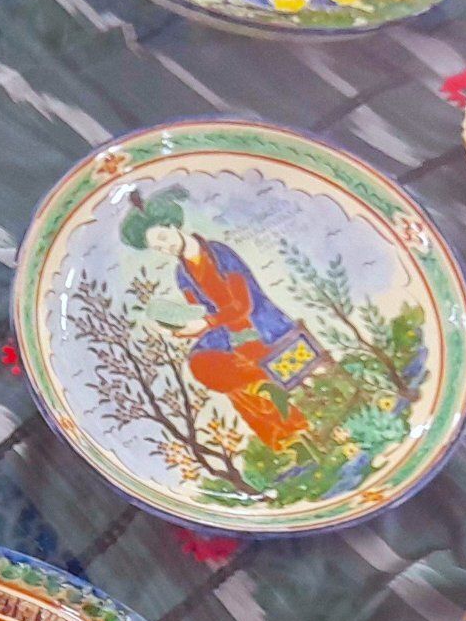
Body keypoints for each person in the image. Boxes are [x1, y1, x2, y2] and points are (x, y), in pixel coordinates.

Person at [119, 188, 319, 452]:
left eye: (163, 238)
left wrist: (207, 324)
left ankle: (289, 435)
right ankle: (273, 402)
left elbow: (243, 306)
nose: (166, 248)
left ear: (172, 225)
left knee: (237, 387)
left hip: (262, 328)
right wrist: (176, 330)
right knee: (201, 364)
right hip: (228, 338)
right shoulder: (182, 274)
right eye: (158, 248)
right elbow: (200, 315)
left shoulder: (220, 253)